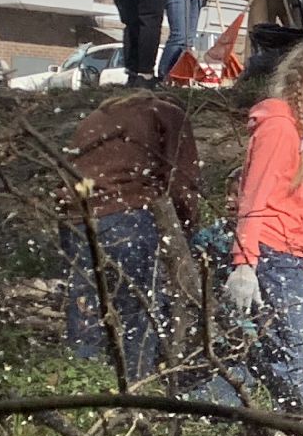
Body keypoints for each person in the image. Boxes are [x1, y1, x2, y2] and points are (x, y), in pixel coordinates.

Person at [224, 42, 303, 410]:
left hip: (290, 253)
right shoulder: (278, 129)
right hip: (272, 253)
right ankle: (294, 429)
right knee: (296, 356)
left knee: (284, 348)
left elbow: (298, 201)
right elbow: (256, 196)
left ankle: (253, 412)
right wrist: (244, 261)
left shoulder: (300, 128)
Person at [61, 91, 201, 381]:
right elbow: (181, 181)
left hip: (75, 214)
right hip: (126, 212)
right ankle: (137, 391)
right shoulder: (169, 113)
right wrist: (187, 230)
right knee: (138, 311)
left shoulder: (98, 117)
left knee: (86, 305)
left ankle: (82, 384)